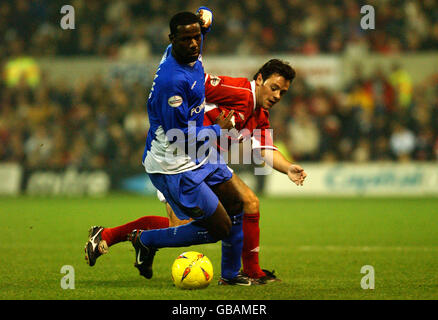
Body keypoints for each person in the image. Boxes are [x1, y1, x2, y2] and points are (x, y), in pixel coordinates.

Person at [86, 59, 308, 284]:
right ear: (259, 80)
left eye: (283, 92)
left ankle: (251, 272)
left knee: (248, 202)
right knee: (182, 228)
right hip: (180, 159)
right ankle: (113, 236)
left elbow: (266, 150)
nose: (278, 96)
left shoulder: (259, 115)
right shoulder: (238, 90)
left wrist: (288, 167)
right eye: (274, 88)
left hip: (209, 161)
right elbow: (197, 83)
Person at [86, 8, 253, 285]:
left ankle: (230, 275)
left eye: (197, 37)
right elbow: (178, 136)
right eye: (186, 39)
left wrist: (206, 18)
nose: (193, 43)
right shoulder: (173, 83)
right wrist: (218, 129)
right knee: (217, 228)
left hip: (199, 153)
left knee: (236, 203)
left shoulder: (189, 50)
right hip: (175, 163)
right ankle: (145, 240)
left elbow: (200, 27)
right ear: (171, 39)